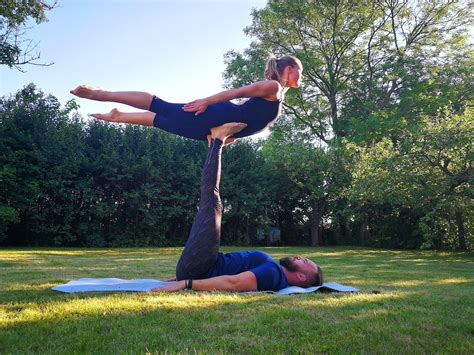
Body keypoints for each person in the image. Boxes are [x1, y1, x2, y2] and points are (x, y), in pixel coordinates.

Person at [151, 122, 323, 292]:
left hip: (199, 267)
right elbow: (229, 270)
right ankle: (214, 144)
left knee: (212, 201)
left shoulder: (273, 274)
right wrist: (183, 278)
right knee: (213, 202)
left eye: (305, 262)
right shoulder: (273, 269)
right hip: (201, 266)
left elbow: (235, 283)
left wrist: (186, 283)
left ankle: (217, 141)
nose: (301, 257)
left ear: (301, 277)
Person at [70, 56, 303, 141]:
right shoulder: (273, 87)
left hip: (214, 130)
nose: (301, 76)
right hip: (214, 115)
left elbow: (246, 111)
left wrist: (230, 134)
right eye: (300, 71)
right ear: (290, 68)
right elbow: (235, 94)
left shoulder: (277, 94)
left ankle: (118, 116)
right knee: (162, 107)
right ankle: (102, 93)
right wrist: (206, 102)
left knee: (162, 120)